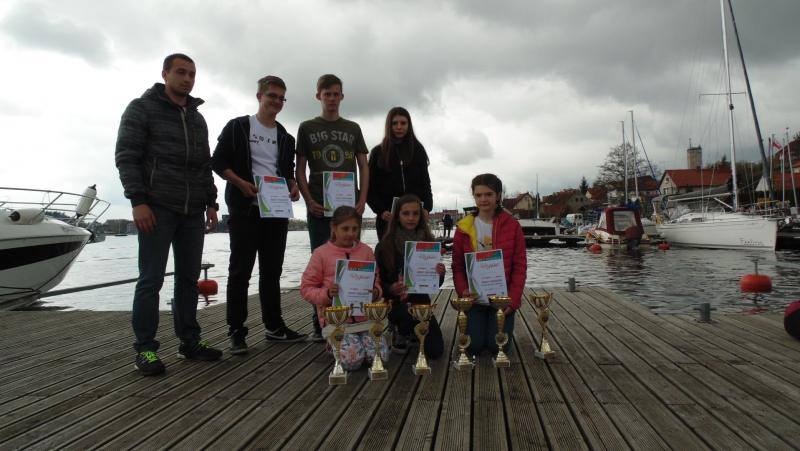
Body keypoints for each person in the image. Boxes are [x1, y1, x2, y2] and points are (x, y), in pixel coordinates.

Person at [115, 53, 222, 376]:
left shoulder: (197, 118)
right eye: (181, 72)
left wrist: (212, 202)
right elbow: (127, 156)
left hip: (193, 211)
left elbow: (204, 164)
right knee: (151, 279)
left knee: (188, 280)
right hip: (156, 207)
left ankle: (189, 341)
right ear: (165, 74)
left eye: (192, 74)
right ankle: (145, 349)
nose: (187, 79)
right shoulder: (141, 108)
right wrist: (138, 201)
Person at [211, 75, 306, 355]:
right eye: (271, 96)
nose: (276, 101)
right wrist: (241, 183)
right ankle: (236, 331)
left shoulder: (285, 136)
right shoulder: (239, 126)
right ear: (259, 96)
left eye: (281, 98)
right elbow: (218, 161)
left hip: (275, 209)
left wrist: (293, 186)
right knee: (240, 271)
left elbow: (287, 171)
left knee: (272, 271)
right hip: (245, 208)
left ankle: (274, 326)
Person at [296, 74, 370, 342]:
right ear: (318, 96)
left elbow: (363, 165)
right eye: (327, 94)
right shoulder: (306, 127)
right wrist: (308, 200)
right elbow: (300, 168)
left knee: (353, 260)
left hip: (348, 207)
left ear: (342, 96)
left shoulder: (353, 128)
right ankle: (321, 321)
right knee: (321, 262)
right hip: (319, 206)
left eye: (336, 94)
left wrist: (362, 198)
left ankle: (355, 317)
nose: (331, 98)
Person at [300, 206, 388, 370]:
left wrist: (376, 292)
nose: (350, 233)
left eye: (355, 229)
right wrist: (327, 294)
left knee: (380, 357)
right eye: (345, 228)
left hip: (365, 319)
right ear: (333, 227)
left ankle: (356, 343)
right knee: (353, 361)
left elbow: (376, 281)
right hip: (337, 322)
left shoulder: (366, 251)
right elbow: (306, 289)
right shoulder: (321, 254)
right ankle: (333, 343)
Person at [451, 174, 527, 357]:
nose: (483, 199)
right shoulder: (463, 227)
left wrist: (513, 299)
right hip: (474, 299)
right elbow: (457, 266)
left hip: (501, 299)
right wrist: (463, 291)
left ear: (498, 195)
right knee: (473, 347)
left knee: (497, 347)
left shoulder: (512, 225)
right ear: (474, 196)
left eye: (488, 194)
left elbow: (520, 266)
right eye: (478, 195)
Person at [375, 194, 445, 356]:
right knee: (404, 315)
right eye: (405, 213)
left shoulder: (429, 242)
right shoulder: (384, 246)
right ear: (397, 216)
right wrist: (391, 288)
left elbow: (435, 284)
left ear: (421, 216)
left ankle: (414, 331)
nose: (411, 218)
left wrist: (440, 274)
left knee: (436, 351)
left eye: (415, 213)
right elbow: (378, 283)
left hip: (421, 304)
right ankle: (400, 329)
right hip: (396, 303)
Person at [367, 107, 433, 241]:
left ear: (409, 125)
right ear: (389, 125)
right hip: (387, 218)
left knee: (415, 253)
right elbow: (370, 188)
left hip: (414, 216)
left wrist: (427, 207)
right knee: (388, 253)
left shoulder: (418, 150)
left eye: (403, 123)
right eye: (394, 123)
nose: (399, 127)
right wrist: (380, 210)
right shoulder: (378, 152)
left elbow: (426, 184)